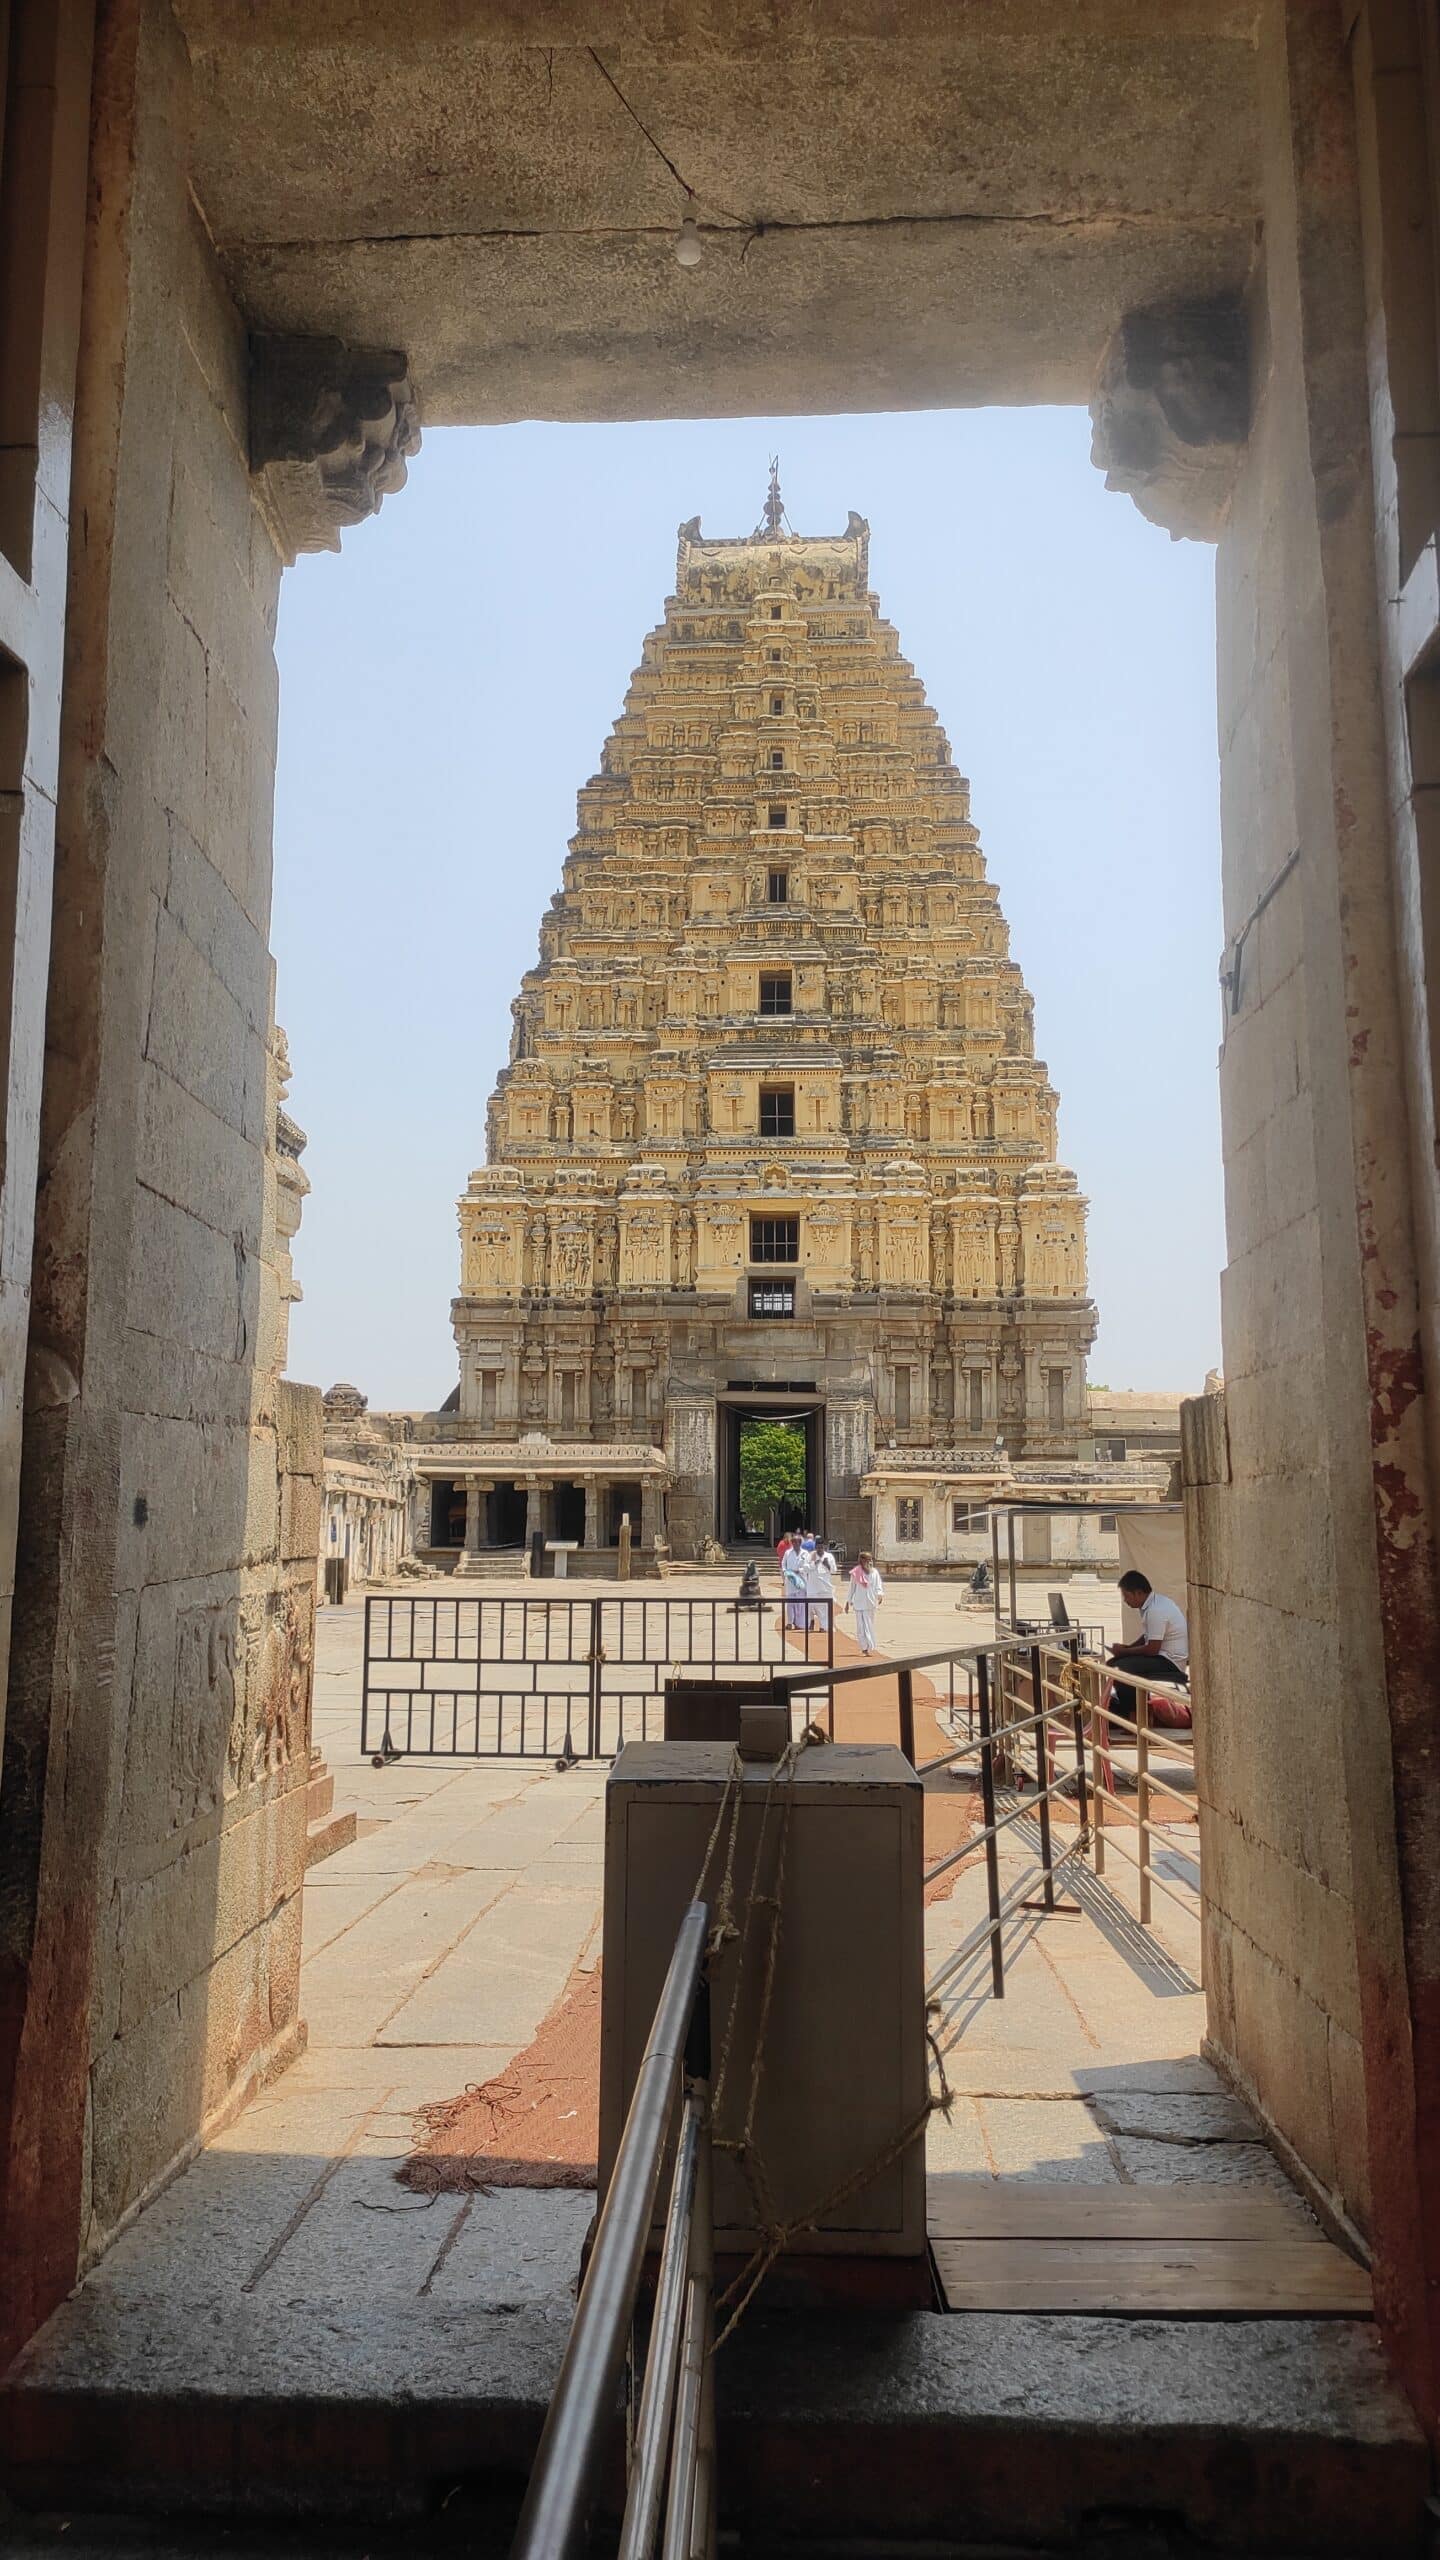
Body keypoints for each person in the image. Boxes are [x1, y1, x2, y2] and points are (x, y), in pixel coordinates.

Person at [1108, 1570, 1190, 1728]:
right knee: (1114, 1662)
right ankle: (1129, 1709)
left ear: (1138, 1593)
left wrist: (1124, 1652)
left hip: (1170, 1661)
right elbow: (1147, 1637)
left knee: (1121, 1668)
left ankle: (1135, 1716)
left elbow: (1152, 1649)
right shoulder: (1152, 1605)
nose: (1125, 1601)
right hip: (1161, 1656)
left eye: (1127, 1596)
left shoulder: (1156, 1610)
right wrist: (1127, 1648)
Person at [847, 1551, 885, 1655]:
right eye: (868, 1560)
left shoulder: (874, 1572)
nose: (870, 1562)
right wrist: (848, 1602)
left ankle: (869, 1645)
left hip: (870, 1603)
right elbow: (852, 1588)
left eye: (871, 1560)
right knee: (861, 1627)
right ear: (862, 1561)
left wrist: (880, 1595)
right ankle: (864, 1648)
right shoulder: (856, 1573)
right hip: (859, 1604)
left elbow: (878, 1585)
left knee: (869, 1625)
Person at [803, 1534, 837, 1637]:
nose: (820, 1549)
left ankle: (823, 1626)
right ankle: (811, 1621)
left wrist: (827, 1565)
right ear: (815, 1546)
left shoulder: (829, 1556)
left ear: (824, 1547)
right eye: (818, 1547)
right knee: (811, 1605)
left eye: (821, 1547)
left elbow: (834, 1570)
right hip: (813, 1586)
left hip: (825, 1587)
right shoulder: (811, 1556)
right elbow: (805, 1568)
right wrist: (814, 1563)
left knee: (825, 1607)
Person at [781, 1537, 809, 1633]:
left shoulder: (805, 1553)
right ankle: (789, 1622)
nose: (795, 1544)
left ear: (800, 1543)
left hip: (801, 1580)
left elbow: (807, 1566)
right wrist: (786, 1572)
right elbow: (783, 1564)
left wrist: (799, 1571)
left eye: (797, 1542)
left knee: (801, 1604)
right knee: (790, 1603)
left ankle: (799, 1623)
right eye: (793, 1542)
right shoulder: (788, 1553)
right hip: (791, 1580)